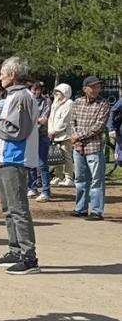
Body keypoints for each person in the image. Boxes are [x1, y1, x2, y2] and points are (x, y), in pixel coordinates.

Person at [0, 57, 41, 275]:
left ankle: (29, 257)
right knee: (8, 208)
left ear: (12, 75)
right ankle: (15, 248)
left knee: (18, 209)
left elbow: (17, 131)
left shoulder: (22, 97)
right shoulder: (12, 96)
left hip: (15, 158)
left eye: (2, 74)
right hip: (5, 157)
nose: (0, 78)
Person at [68, 76, 110, 221]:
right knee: (80, 179)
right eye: (93, 87)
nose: (96, 89)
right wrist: (76, 140)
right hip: (78, 148)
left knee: (97, 180)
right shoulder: (77, 103)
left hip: (94, 147)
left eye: (98, 86)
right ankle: (81, 208)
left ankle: (97, 211)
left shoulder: (103, 104)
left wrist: (79, 136)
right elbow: (72, 122)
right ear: (85, 88)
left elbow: (98, 127)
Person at [26, 81, 53, 201]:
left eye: (37, 89)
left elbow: (43, 119)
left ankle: (46, 191)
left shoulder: (46, 101)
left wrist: (33, 121)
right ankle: (32, 187)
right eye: (33, 89)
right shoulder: (27, 101)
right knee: (30, 163)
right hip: (29, 136)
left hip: (41, 136)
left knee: (42, 164)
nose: (35, 92)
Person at [48, 83, 74, 188]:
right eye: (56, 92)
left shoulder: (69, 103)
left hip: (65, 135)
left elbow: (65, 120)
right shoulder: (55, 103)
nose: (57, 94)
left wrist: (55, 130)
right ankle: (58, 176)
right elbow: (51, 118)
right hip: (54, 135)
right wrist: (50, 130)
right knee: (56, 156)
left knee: (67, 156)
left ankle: (69, 178)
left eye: (59, 92)